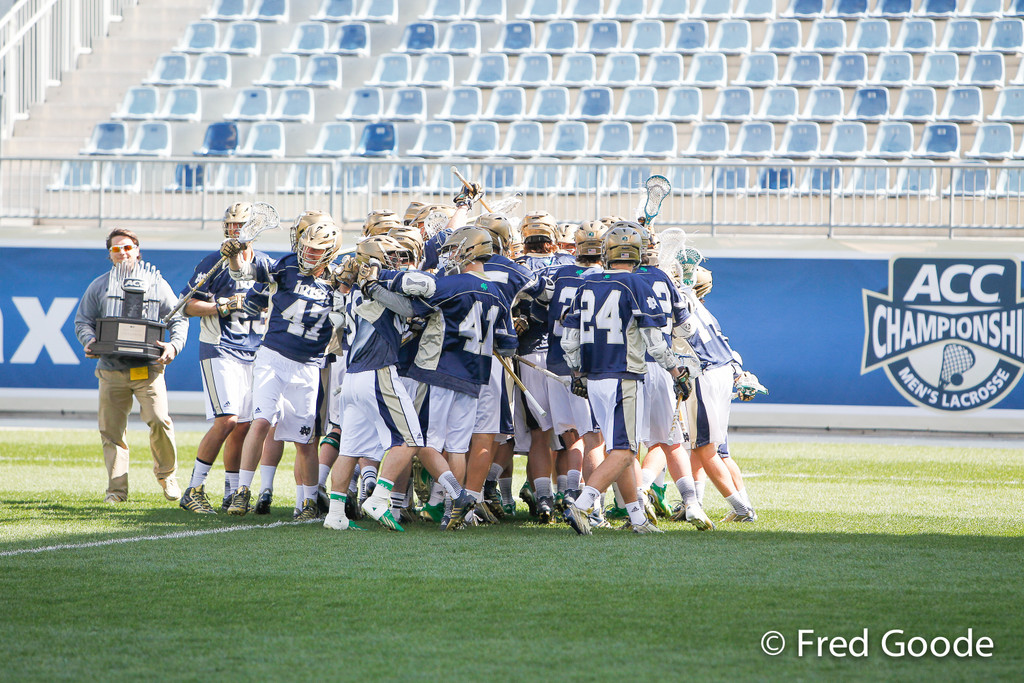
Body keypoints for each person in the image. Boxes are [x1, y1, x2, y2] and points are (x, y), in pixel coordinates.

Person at [560, 224, 685, 535]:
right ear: (639, 253)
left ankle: (638, 518)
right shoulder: (635, 283)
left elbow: (568, 341)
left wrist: (577, 372)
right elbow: (656, 342)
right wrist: (675, 371)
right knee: (626, 450)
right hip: (623, 376)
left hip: (594, 378)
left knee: (620, 448)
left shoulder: (586, 285)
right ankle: (583, 503)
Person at [222, 212, 342, 521]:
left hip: (309, 366)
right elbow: (244, 273)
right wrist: (235, 259)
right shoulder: (287, 265)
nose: (309, 253)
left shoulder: (339, 280)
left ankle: (309, 502)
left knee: (305, 439)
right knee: (261, 421)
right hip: (273, 356)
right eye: (307, 246)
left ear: (330, 251)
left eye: (316, 250)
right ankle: (243, 491)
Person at [74, 228, 189, 503]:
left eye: (127, 247)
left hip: (148, 370)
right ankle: (116, 492)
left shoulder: (157, 284)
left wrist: (174, 346)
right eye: (116, 249)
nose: (122, 253)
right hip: (111, 370)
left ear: (137, 250)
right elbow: (83, 321)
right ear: (110, 255)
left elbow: (179, 319)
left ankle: (167, 475)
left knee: (160, 421)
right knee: (111, 432)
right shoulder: (99, 286)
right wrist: (89, 341)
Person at [178, 203, 274, 514]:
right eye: (230, 225)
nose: (234, 231)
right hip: (220, 347)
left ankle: (232, 491)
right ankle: (193, 488)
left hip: (254, 350)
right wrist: (222, 305)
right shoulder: (214, 262)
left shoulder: (266, 263)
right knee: (227, 420)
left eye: (240, 225)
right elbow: (187, 305)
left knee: (243, 426)